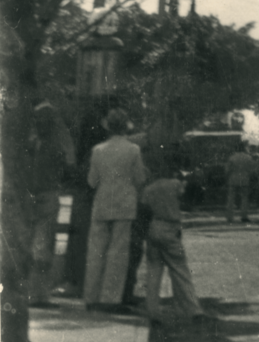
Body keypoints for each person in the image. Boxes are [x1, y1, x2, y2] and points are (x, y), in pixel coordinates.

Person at [82, 110, 148, 311]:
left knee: (96, 252)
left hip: (102, 203)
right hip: (124, 204)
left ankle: (91, 297)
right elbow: (140, 179)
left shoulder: (98, 150)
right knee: (118, 253)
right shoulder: (133, 150)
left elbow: (92, 181)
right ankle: (110, 299)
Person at [139, 162, 205, 325]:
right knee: (180, 270)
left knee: (154, 272)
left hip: (154, 226)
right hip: (170, 227)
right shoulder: (175, 184)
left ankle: (153, 311)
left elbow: (144, 208)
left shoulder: (149, 188)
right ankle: (192, 309)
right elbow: (186, 198)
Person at [26, 102, 75, 306]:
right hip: (48, 194)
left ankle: (31, 291)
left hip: (30, 196)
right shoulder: (57, 143)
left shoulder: (32, 142)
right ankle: (39, 294)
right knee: (44, 246)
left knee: (33, 244)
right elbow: (68, 165)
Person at [225, 144, 255, 223]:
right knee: (244, 199)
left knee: (231, 199)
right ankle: (244, 216)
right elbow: (252, 170)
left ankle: (230, 217)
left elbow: (227, 170)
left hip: (233, 180)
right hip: (245, 180)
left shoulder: (232, 158)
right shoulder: (248, 158)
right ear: (244, 148)